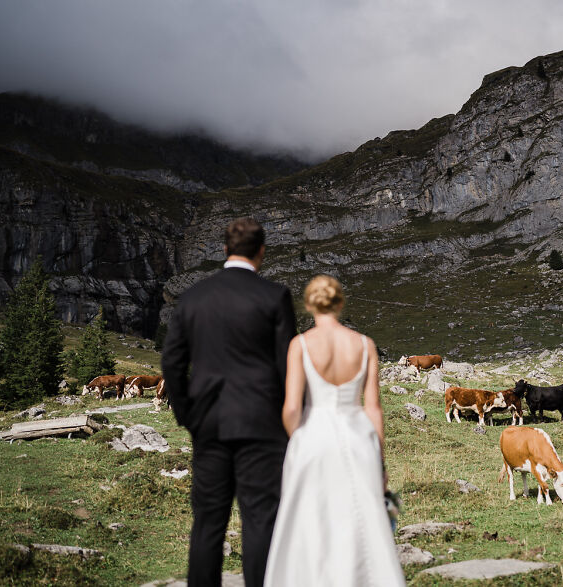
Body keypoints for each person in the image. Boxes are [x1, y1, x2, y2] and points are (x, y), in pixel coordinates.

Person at [161, 217, 297, 587]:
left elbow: (172, 363)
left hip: (210, 425)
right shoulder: (274, 297)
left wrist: (188, 416)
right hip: (263, 426)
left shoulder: (193, 298)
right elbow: (289, 367)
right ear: (262, 252)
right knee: (261, 521)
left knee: (207, 523)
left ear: (224, 250)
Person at [264, 275, 405, 587]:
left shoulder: (300, 345)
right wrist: (380, 459)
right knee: (360, 519)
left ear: (309, 304)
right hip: (358, 437)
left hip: (313, 436)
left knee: (310, 519)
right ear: (340, 303)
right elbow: (373, 408)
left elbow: (290, 408)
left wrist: (297, 437)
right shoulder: (365, 344)